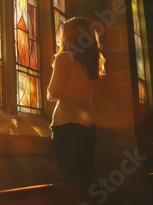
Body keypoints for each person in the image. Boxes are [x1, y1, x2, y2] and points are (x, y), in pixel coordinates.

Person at [47, 16, 106, 182]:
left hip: (66, 125)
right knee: (85, 176)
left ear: (69, 35)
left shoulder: (64, 58)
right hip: (87, 126)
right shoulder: (92, 63)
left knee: (69, 177)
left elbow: (53, 93)